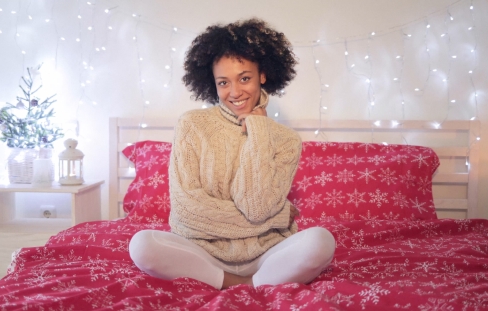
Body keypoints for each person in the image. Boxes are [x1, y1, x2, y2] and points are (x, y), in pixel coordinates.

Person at [129, 18, 336, 290]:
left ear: (263, 75)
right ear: (212, 83)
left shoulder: (286, 140)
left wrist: (259, 129)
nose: (235, 92)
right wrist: (277, 218)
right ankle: (246, 284)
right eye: (223, 82)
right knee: (142, 245)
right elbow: (187, 212)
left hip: (266, 253)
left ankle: (240, 281)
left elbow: (256, 206)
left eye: (245, 78)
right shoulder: (192, 125)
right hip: (202, 253)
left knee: (322, 241)